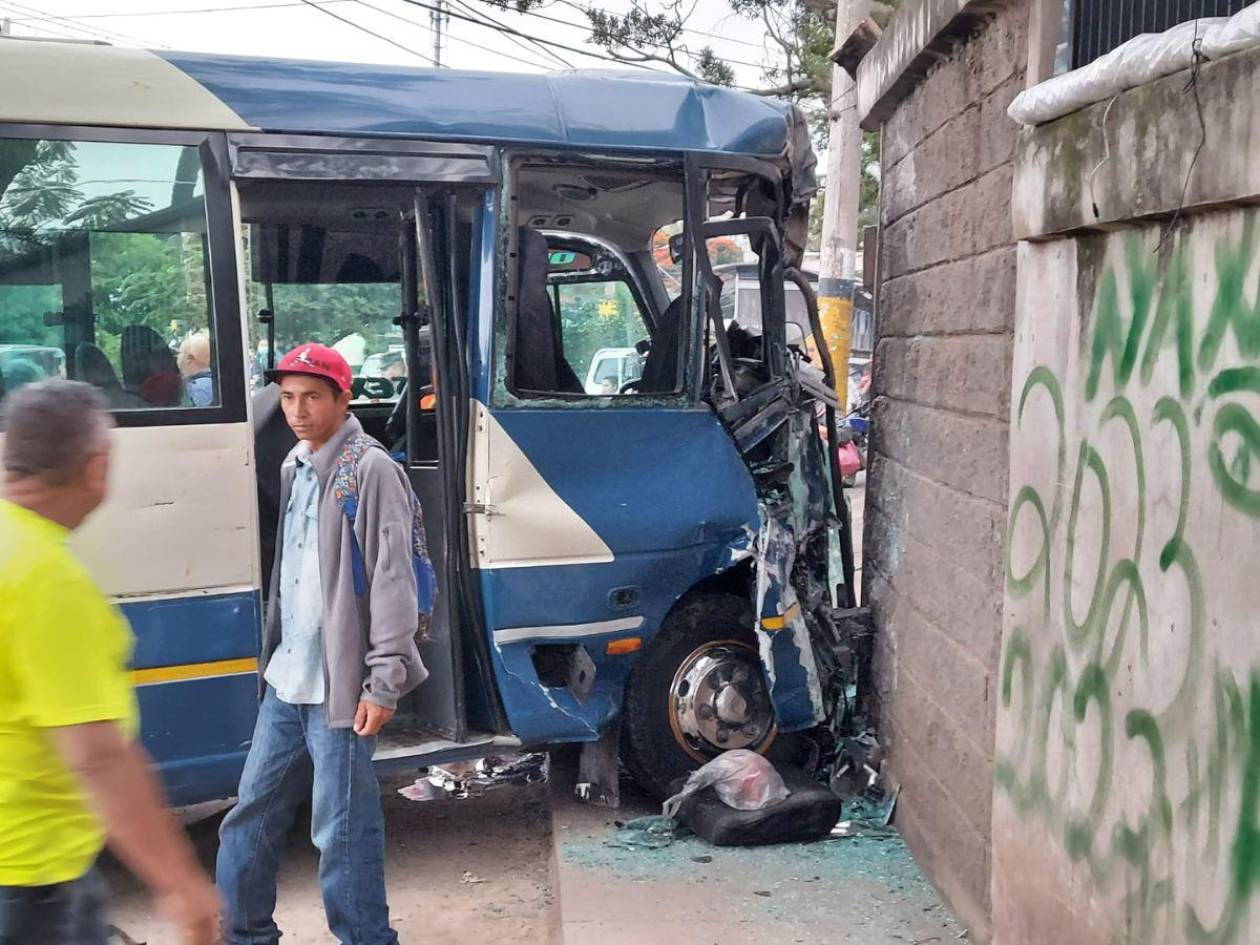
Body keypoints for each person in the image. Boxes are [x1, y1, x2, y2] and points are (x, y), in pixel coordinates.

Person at [216, 343, 427, 945]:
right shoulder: (294, 464)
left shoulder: (370, 468)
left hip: (341, 685)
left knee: (342, 828)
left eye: (312, 396)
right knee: (248, 817)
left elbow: (393, 579)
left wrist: (383, 680)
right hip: (288, 678)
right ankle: (244, 934)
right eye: (286, 398)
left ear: (343, 398)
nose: (297, 410)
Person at [0, 380, 220, 945]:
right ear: (96, 468)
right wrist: (181, 886)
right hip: (31, 875)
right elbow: (97, 756)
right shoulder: (46, 578)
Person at [177, 331, 214, 407]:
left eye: (179, 353)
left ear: (189, 358)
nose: (177, 357)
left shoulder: (196, 389)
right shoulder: (215, 383)